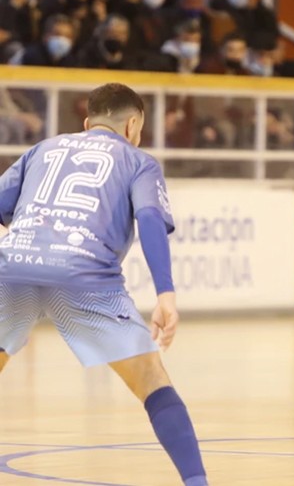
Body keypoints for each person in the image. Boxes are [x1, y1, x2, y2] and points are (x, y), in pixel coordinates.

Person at [0, 83, 207, 485]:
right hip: (86, 275)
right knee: (152, 381)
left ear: (86, 122)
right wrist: (166, 294)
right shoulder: (137, 161)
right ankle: (197, 483)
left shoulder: (43, 149)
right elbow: (149, 220)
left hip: (14, 266)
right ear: (132, 125)